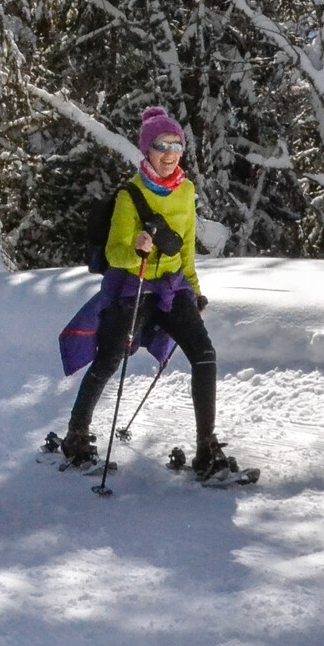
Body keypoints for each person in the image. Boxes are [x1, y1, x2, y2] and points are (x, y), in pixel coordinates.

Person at [59, 106, 235, 480]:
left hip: (173, 290)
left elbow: (186, 249)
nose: (170, 153)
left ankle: (206, 447)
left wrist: (196, 293)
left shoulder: (186, 191)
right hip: (133, 288)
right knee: (108, 361)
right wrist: (135, 244)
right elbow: (113, 253)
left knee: (205, 355)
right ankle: (76, 435)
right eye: (162, 145)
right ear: (147, 150)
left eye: (177, 145)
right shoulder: (131, 195)